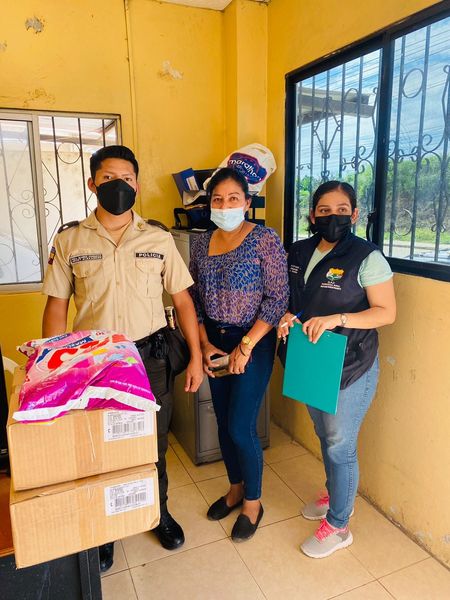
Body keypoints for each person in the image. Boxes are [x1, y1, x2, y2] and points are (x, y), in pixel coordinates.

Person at [41, 145, 203, 571]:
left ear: (137, 185)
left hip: (150, 357)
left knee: (154, 442)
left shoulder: (158, 238)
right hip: (94, 361)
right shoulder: (70, 240)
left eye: (127, 178)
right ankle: (107, 529)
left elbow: (183, 302)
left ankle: (158, 513)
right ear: (92, 184)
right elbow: (56, 306)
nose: (119, 185)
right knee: (101, 446)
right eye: (109, 178)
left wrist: (197, 358)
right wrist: (52, 367)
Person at [277, 180, 396, 559]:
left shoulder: (366, 257)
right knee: (324, 433)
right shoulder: (299, 250)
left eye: (342, 210)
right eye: (324, 211)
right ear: (313, 216)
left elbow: (386, 313)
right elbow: (298, 300)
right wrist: (288, 316)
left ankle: (340, 524)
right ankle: (334, 492)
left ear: (354, 214)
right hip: (312, 361)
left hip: (351, 365)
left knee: (340, 444)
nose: (333, 217)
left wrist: (337, 319)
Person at [189, 167, 289, 542]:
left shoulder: (264, 239)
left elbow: (277, 298)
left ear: (247, 202)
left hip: (254, 340)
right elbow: (193, 299)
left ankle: (252, 502)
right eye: (218, 199)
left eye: (233, 198)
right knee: (222, 422)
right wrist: (204, 344)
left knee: (240, 425)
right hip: (214, 341)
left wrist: (245, 346)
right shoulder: (201, 244)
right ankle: (234, 489)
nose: (225, 205)